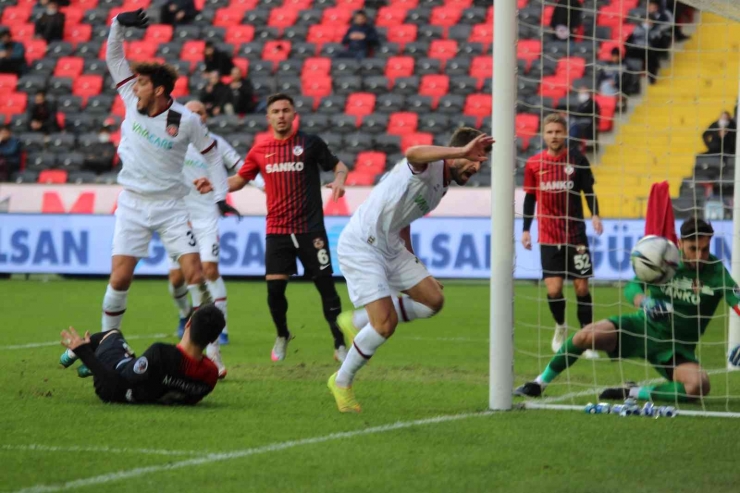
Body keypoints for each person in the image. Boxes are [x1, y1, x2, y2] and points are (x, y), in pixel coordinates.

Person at [62, 9, 235, 377]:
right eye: (135, 82)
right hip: (132, 204)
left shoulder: (186, 121)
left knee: (195, 274)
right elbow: (113, 57)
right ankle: (107, 344)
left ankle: (212, 349)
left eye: (140, 83)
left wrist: (221, 194)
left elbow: (212, 154)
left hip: (171, 207)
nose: (132, 86)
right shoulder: (130, 98)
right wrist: (117, 26)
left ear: (157, 89)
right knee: (120, 278)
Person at [325, 128, 494, 413]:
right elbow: (412, 152)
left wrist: (415, 265)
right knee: (384, 325)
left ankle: (356, 321)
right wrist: (460, 152)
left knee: (433, 300)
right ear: (457, 152)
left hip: (391, 246)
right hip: (362, 244)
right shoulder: (427, 165)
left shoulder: (442, 185)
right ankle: (341, 381)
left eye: (480, 162)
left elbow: (405, 221)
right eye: (474, 159)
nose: (476, 167)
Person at [194, 93, 350, 363]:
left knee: (327, 289)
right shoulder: (259, 150)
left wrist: (339, 180)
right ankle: (282, 335)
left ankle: (339, 342)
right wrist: (214, 185)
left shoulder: (310, 144)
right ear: (268, 118)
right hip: (277, 231)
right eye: (275, 111)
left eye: (285, 110)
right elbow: (241, 180)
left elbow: (339, 166)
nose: (281, 115)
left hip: (310, 231)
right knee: (275, 292)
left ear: (293, 115)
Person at [516, 218, 740, 403]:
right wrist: (645, 303)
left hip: (674, 349)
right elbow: (633, 286)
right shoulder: (666, 259)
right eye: (694, 249)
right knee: (585, 335)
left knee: (698, 386)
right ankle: (539, 383)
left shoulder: (717, 273)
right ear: (680, 244)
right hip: (642, 328)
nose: (700, 256)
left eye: (705, 248)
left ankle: (632, 392)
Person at [166, 100, 245, 375]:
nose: (196, 116)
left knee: (208, 271)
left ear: (206, 116)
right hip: (177, 219)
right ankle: (183, 314)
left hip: (207, 217)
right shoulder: (172, 142)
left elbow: (242, 168)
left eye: (201, 111)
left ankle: (215, 333)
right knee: (178, 278)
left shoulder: (215, 143)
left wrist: (265, 186)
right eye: (192, 112)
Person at [521, 113, 603, 360]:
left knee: (581, 287)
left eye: (558, 131)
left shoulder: (577, 160)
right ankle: (560, 328)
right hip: (547, 235)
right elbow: (530, 198)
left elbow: (588, 191)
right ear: (544, 135)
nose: (554, 136)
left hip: (576, 235)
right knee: (554, 289)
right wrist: (526, 229)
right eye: (550, 132)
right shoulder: (534, 164)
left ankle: (587, 339)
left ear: (564, 133)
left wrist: (596, 215)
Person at [59, 304, 225, 405]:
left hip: (113, 382)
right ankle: (86, 355)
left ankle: (74, 351)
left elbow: (114, 386)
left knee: (112, 334)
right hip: (145, 386)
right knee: (130, 356)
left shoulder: (161, 354)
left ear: (188, 323)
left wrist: (86, 355)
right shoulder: (210, 374)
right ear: (213, 339)